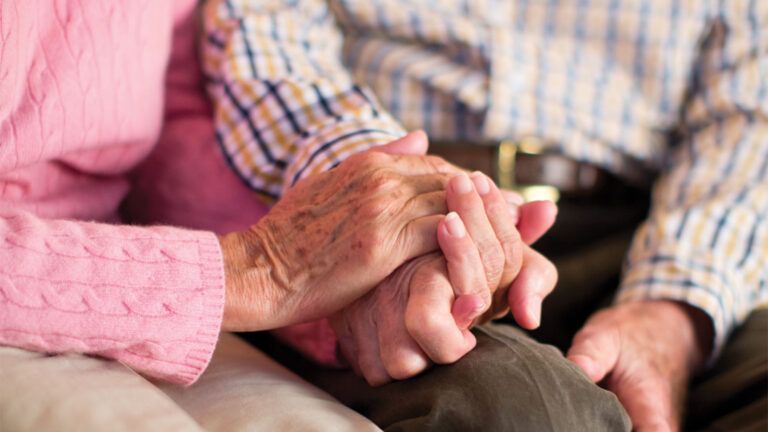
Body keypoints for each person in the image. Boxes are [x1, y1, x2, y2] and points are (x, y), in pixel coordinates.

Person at [0, 1, 572, 430]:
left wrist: (354, 272)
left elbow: (173, 118)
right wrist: (253, 270)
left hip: (145, 277)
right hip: (44, 296)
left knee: (521, 408)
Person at [201, 0, 768, 430]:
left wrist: (670, 314)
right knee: (523, 408)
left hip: (645, 230)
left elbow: (748, 120)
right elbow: (270, 40)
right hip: (409, 222)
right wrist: (381, 212)